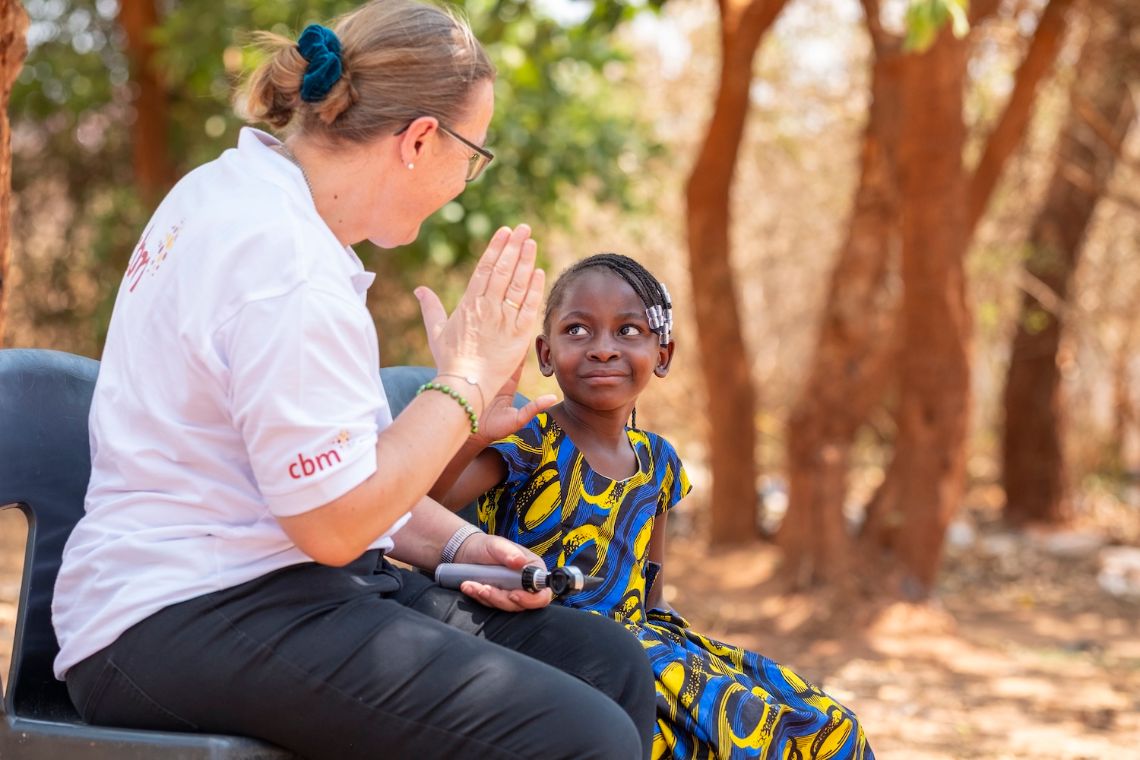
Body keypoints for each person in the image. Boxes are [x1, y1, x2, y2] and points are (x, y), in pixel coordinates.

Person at [50, 4, 656, 759]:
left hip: (285, 584)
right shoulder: (287, 266)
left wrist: (464, 543)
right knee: (578, 735)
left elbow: (351, 469)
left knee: (609, 664)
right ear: (420, 140)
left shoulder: (240, 192)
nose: (463, 184)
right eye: (472, 156)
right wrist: (464, 379)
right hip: (176, 613)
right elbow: (334, 525)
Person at [437, 253, 876, 759]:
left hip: (646, 645)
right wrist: (471, 432)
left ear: (662, 355)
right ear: (545, 353)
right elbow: (429, 502)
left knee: (830, 725)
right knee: (736, 739)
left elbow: (653, 597)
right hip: (551, 640)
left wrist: (701, 670)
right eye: (577, 330)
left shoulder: (658, 461)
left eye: (628, 331)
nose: (603, 349)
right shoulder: (530, 438)